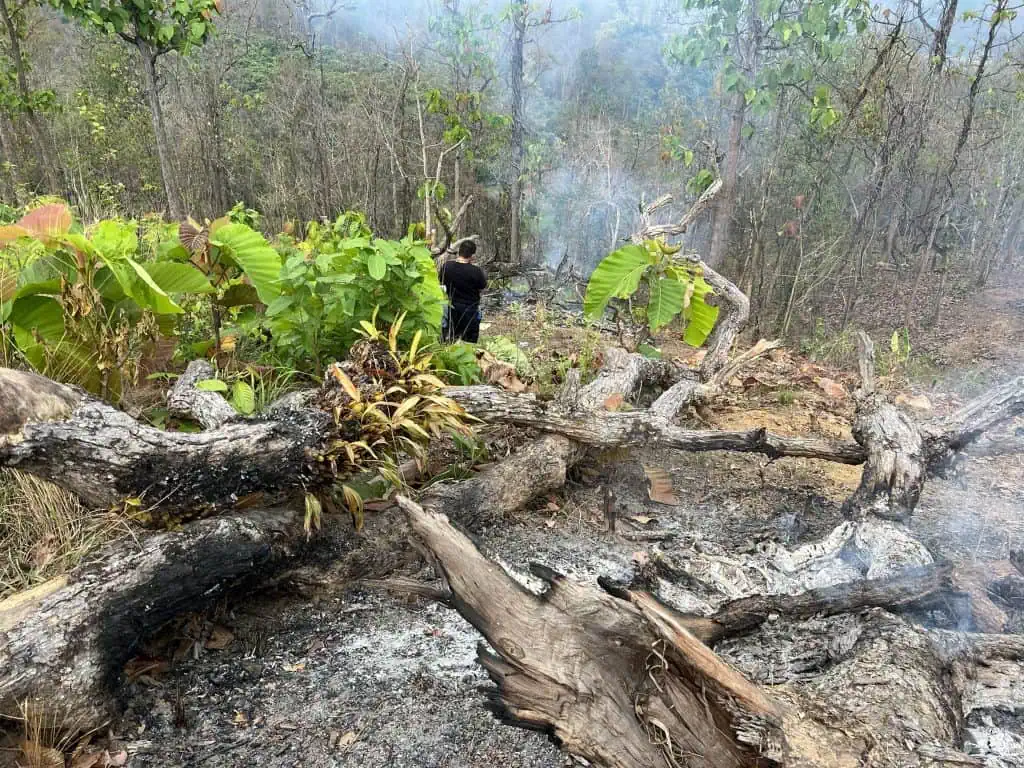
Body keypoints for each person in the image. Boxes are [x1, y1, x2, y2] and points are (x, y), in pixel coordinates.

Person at [439, 240, 487, 343]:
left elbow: (441, 283)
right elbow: (482, 286)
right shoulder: (476, 271)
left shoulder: (447, 266)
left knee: (451, 339)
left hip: (451, 308)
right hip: (470, 310)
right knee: (469, 342)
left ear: (459, 252)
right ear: (472, 255)